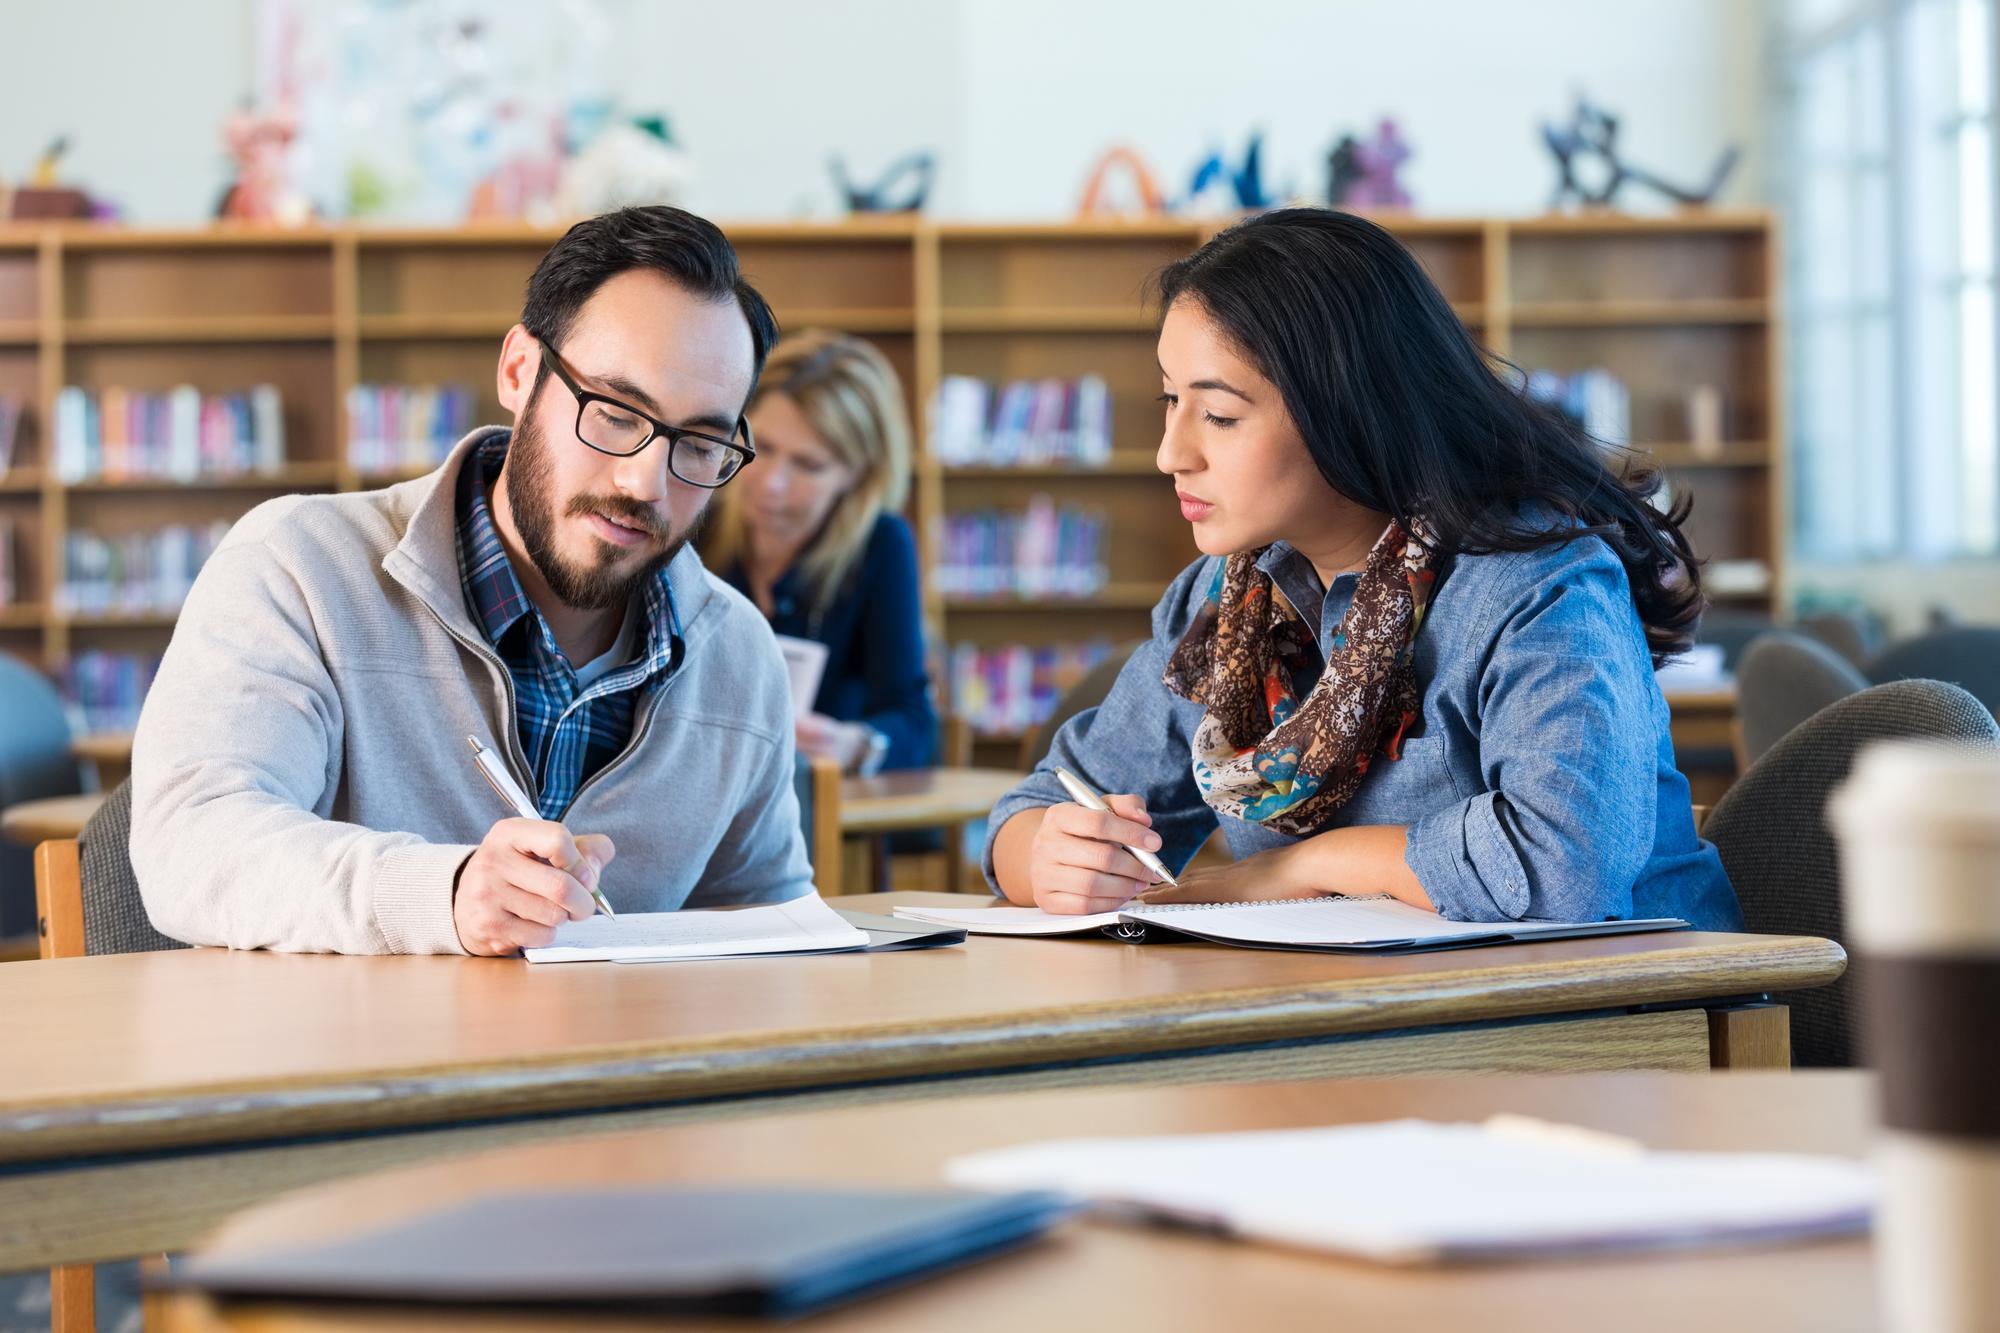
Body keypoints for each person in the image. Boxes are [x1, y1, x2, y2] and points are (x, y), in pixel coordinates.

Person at [986, 207, 1741, 931]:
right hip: (1379, 1024)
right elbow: (1038, 803)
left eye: (1217, 414)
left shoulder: (1537, 582)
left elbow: (1564, 865)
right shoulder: (1225, 606)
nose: (1170, 453)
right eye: (1169, 400)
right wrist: (1049, 854)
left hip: (1631, 1019)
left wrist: (1299, 869)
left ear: (1345, 408)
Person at [131, 206, 813, 956]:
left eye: (701, 441)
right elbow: (191, 844)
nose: (645, 482)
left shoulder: (737, 656)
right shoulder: (300, 566)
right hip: (347, 1065)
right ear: (520, 372)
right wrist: (444, 893)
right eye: (617, 413)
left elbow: (768, 931)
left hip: (620, 1070)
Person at [703, 329, 936, 776]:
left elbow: (912, 719)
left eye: (808, 465)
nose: (771, 482)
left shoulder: (880, 544)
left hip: (821, 809)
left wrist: (855, 744)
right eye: (763, 448)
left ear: (857, 474)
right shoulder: (698, 522)